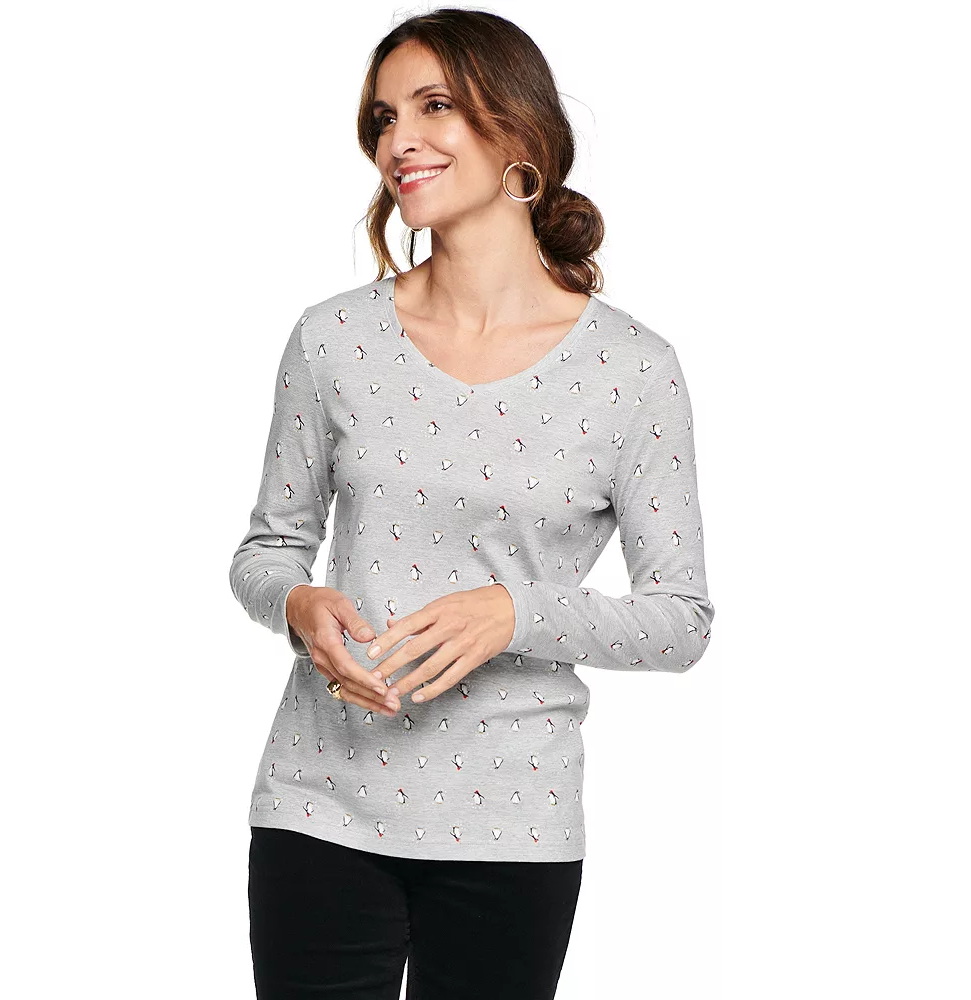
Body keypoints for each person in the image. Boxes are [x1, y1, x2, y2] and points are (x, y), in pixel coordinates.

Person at [229, 9, 716, 999]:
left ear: (519, 134)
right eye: (384, 117)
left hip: (513, 825)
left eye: (433, 107)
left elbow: (682, 620)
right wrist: (299, 604)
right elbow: (268, 551)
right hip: (318, 806)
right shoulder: (332, 340)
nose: (398, 140)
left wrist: (515, 614)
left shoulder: (633, 371)